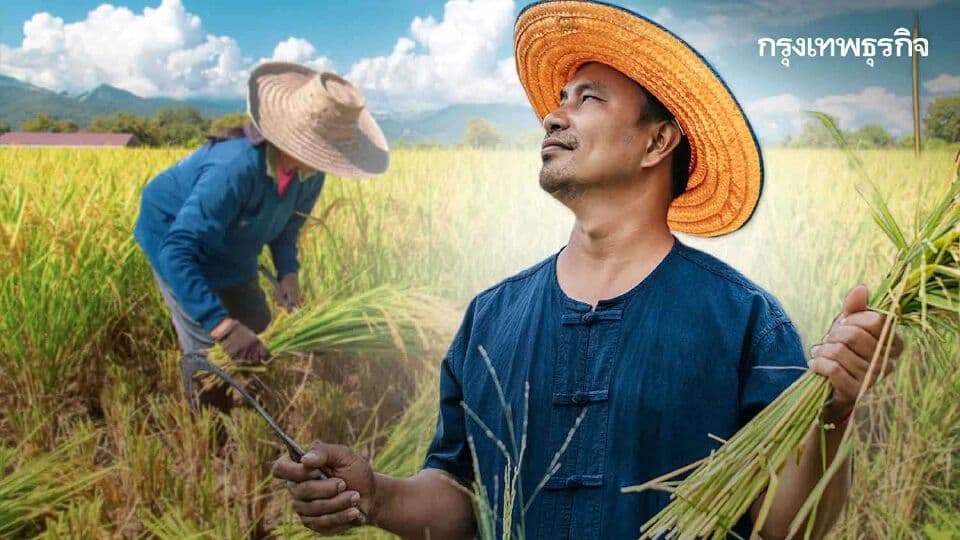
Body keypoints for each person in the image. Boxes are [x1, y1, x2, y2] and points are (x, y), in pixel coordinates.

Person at [271, 2, 904, 538]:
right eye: (559, 99)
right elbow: (460, 495)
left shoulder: (744, 319)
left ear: (658, 142)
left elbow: (789, 523)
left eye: (588, 98)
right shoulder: (491, 316)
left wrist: (834, 408)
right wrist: (377, 496)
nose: (553, 114)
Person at [134, 62, 389, 368]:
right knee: (210, 347)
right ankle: (208, 398)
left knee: (256, 319)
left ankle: (247, 382)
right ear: (295, 139)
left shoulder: (310, 174)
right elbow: (177, 251)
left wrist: (288, 272)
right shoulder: (234, 170)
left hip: (233, 236)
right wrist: (221, 327)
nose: (328, 161)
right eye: (325, 150)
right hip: (172, 234)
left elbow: (287, 226)